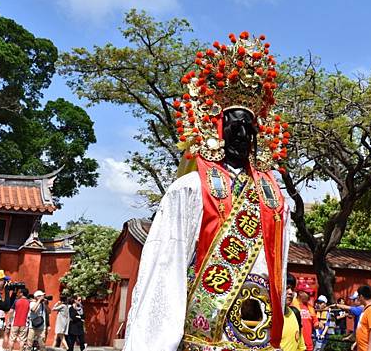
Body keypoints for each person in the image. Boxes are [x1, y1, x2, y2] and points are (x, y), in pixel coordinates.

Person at [124, 32, 290, 351]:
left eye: (249, 128)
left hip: (259, 334)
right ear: (216, 126)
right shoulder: (189, 188)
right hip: (205, 337)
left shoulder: (274, 196)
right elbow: (166, 265)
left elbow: (278, 267)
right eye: (234, 125)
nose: (242, 134)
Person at [281, 274, 306, 351]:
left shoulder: (295, 313)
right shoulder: (266, 317)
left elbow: (301, 347)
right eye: (286, 288)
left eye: (292, 288)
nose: (290, 292)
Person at [292, 284, 319, 351]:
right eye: (307, 293)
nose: (309, 295)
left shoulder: (310, 307)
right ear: (300, 293)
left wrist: (318, 324)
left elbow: (315, 322)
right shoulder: (291, 305)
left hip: (308, 343)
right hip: (295, 343)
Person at [354, 286, 371, 351]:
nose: (357, 298)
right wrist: (356, 343)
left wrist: (369, 349)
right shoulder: (366, 309)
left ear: (361, 296)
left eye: (358, 296)